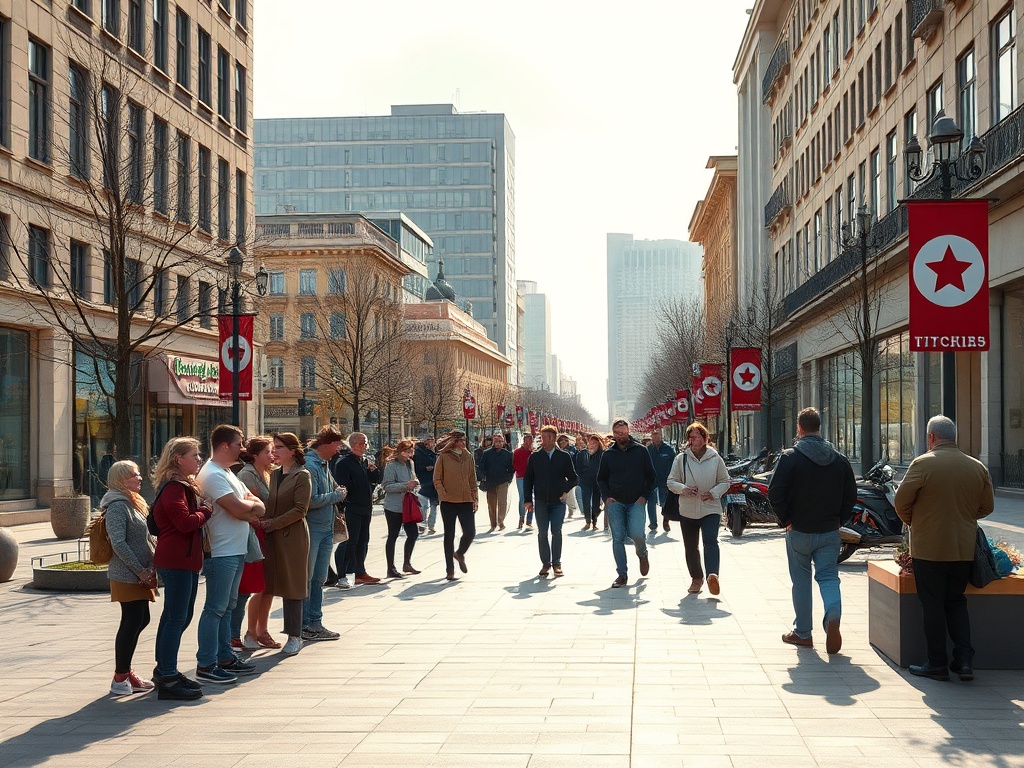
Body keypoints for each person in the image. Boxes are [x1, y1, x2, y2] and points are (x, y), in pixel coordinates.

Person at [894, 415, 995, 681]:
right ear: (955, 438)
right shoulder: (976, 467)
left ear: (931, 438)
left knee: (933, 605)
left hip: (929, 548)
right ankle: (964, 660)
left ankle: (936, 663)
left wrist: (916, 522)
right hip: (962, 548)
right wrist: (963, 518)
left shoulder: (923, 464)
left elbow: (901, 503)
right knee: (956, 602)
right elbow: (987, 507)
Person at [767, 407, 856, 654]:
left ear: (799, 429)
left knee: (801, 581)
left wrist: (786, 519)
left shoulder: (790, 457)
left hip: (799, 531)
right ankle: (832, 615)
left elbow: (774, 491)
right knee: (828, 576)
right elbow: (851, 495)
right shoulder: (839, 459)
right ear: (820, 428)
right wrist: (839, 519)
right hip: (829, 531)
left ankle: (803, 633)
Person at [195, 424, 265, 684]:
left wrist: (250, 507)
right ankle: (206, 663)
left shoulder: (228, 473)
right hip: (221, 551)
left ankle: (224, 656)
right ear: (225, 445)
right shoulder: (213, 474)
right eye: (240, 443)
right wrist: (250, 508)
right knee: (215, 608)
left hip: (235, 550)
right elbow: (238, 508)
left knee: (227, 607)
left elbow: (259, 505)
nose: (243, 447)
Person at [151, 437, 209, 701]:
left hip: (183, 560)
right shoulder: (175, 487)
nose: (199, 459)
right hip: (176, 560)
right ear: (178, 459)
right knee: (176, 619)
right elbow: (185, 523)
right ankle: (168, 677)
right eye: (195, 455)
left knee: (177, 618)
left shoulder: (183, 485)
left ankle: (165, 671)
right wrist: (206, 511)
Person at [103, 460, 157, 697]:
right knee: (132, 620)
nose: (140, 478)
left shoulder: (133, 502)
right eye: (135, 475)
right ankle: (120, 677)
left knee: (140, 618)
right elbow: (119, 543)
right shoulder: (117, 505)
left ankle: (126, 671)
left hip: (140, 574)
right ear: (121, 479)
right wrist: (140, 570)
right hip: (127, 575)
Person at [260, 432, 312, 656]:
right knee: (270, 583)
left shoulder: (302, 475)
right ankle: (256, 631)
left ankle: (295, 635)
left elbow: (300, 510)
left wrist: (272, 523)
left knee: (293, 585)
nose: (275, 452)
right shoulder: (274, 474)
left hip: (292, 535)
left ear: (292, 450)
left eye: (279, 447)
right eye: (274, 448)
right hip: (272, 534)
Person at [666, 423, 730, 595]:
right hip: (687, 509)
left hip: (710, 507)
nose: (695, 440)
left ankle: (712, 576)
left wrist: (713, 492)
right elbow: (671, 481)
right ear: (688, 439)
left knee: (710, 541)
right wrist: (684, 489)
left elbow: (725, 481)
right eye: (692, 437)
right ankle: (696, 578)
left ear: (705, 438)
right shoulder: (681, 459)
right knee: (691, 546)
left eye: (699, 436)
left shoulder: (715, 458)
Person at [597, 419, 656, 588]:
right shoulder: (608, 454)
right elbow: (601, 478)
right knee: (617, 537)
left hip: (636, 500)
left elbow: (651, 475)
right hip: (615, 502)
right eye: (617, 433)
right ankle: (622, 574)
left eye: (622, 433)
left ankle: (642, 553)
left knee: (637, 533)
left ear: (628, 431)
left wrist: (644, 496)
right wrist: (606, 497)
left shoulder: (641, 451)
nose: (620, 436)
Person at [301, 426, 347, 640]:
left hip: (325, 528)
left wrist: (336, 493)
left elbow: (331, 490)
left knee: (318, 578)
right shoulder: (311, 466)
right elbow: (310, 501)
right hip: (314, 529)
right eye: (337, 444)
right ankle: (305, 625)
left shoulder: (323, 464)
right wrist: (335, 496)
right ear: (327, 444)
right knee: (309, 579)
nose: (339, 450)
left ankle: (315, 622)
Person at [233, 437, 276, 651]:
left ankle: (262, 630)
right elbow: (252, 507)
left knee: (268, 586)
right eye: (268, 452)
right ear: (255, 455)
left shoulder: (267, 473)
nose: (272, 455)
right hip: (255, 533)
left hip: (267, 531)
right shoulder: (247, 474)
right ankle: (250, 632)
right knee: (257, 585)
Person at [524, 425, 578, 578]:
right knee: (542, 533)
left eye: (545, 437)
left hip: (558, 502)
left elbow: (574, 478)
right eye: (541, 437)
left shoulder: (564, 456)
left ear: (553, 438)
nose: (542, 440)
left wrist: (564, 489)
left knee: (556, 531)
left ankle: (557, 563)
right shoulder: (535, 457)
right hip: (540, 501)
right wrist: (528, 500)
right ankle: (545, 563)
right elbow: (528, 479)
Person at [333, 432, 382, 585]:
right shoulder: (344, 463)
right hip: (352, 507)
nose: (363, 447)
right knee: (349, 541)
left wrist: (373, 471)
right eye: (360, 444)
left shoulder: (364, 461)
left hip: (366, 506)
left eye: (365, 444)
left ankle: (360, 572)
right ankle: (341, 575)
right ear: (352, 445)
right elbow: (343, 486)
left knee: (363, 540)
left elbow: (376, 480)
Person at [433, 429, 478, 581]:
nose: (464, 443)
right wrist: (442, 493)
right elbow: (437, 478)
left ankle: (459, 553)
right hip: (448, 502)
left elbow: (472, 479)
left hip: (466, 500)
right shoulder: (443, 457)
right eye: (461, 440)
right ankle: (449, 569)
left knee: (470, 532)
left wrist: (475, 498)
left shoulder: (468, 457)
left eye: (464, 440)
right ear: (454, 441)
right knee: (449, 535)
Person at [381, 438, 422, 578]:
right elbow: (387, 486)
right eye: (407, 451)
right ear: (399, 451)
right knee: (393, 535)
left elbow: (414, 478)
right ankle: (390, 567)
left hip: (408, 505)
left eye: (411, 451)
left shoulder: (410, 464)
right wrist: (406, 485)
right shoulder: (391, 465)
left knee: (413, 533)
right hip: (394, 506)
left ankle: (407, 563)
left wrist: (416, 483)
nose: (409, 454)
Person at [478, 433, 515, 531]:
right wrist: (483, 477)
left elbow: (511, 468)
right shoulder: (487, 453)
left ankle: (501, 521)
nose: (498, 443)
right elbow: (481, 467)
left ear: (503, 442)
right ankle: (493, 524)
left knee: (502, 503)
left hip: (503, 481)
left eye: (500, 441)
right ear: (493, 442)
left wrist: (509, 478)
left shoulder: (507, 454)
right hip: (490, 482)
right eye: (496, 442)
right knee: (491, 504)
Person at [647, 427, 677, 532]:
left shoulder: (668, 449)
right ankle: (653, 523)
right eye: (653, 434)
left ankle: (666, 520)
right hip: (651, 481)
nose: (655, 436)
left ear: (661, 435)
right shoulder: (648, 450)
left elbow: (675, 464)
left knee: (665, 502)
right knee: (651, 502)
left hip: (665, 481)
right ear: (651, 436)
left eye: (657, 434)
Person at [574, 434, 605, 531]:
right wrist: (581, 477)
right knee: (586, 502)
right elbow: (577, 467)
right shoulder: (583, 453)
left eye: (595, 443)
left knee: (596, 503)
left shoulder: (602, 454)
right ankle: (588, 522)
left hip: (597, 482)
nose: (592, 445)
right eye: (591, 443)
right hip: (585, 481)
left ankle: (594, 521)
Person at [414, 436, 440, 534]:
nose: (431, 444)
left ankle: (431, 525)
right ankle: (422, 524)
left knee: (434, 505)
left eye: (433, 441)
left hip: (434, 481)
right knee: (424, 505)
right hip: (424, 481)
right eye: (429, 441)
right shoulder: (419, 452)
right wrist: (425, 468)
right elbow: (415, 467)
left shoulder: (435, 453)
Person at [513, 433, 535, 530]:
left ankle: (529, 520)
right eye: (527, 440)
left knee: (532, 498)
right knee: (523, 498)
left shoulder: (533, 452)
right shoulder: (517, 452)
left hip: (532, 477)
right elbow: (514, 465)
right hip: (521, 477)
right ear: (524, 440)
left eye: (531, 440)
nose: (529, 442)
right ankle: (521, 518)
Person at [556, 434, 580, 520]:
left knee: (570, 492)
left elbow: (576, 460)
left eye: (564, 440)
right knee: (564, 493)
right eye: (561, 441)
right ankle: (569, 508)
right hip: (561, 474)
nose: (563, 443)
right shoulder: (558, 451)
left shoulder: (573, 450)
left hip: (571, 474)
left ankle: (571, 509)